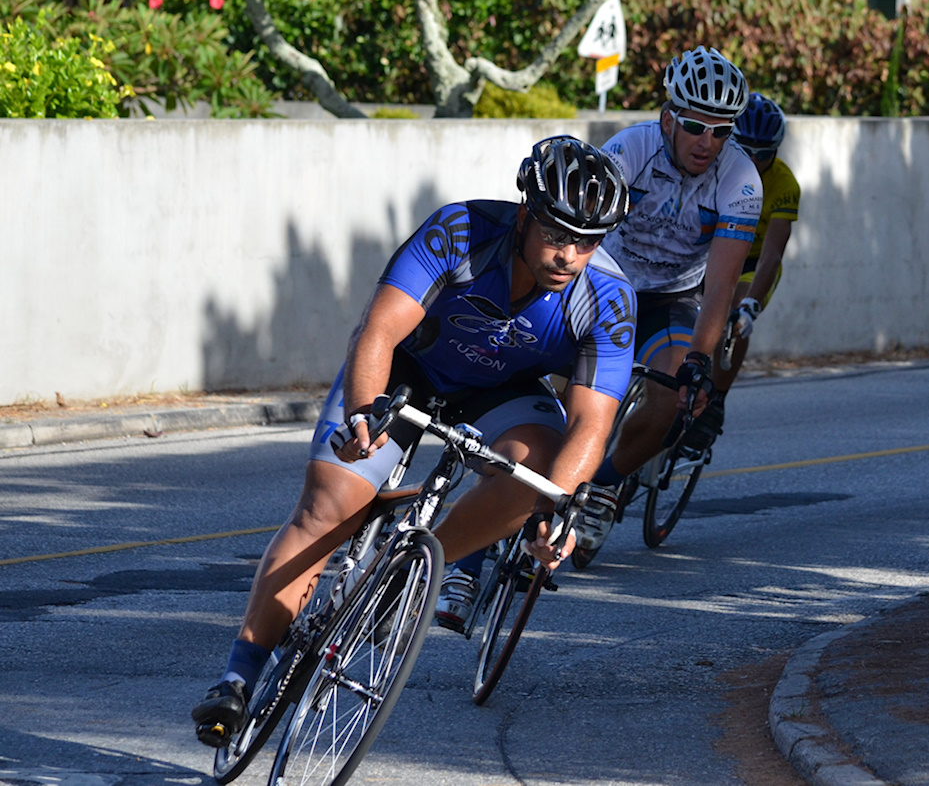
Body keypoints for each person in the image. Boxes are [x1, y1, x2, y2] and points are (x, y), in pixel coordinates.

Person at [190, 136, 635, 747]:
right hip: (406, 372)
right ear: (527, 213)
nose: (571, 255)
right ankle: (238, 678)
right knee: (329, 509)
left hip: (503, 389)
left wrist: (559, 508)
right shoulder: (461, 230)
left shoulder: (609, 298)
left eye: (589, 242)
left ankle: (412, 577)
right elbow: (378, 331)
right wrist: (363, 416)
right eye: (559, 234)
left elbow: (591, 422)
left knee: (536, 473)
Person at [571, 46, 762, 555]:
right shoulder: (630, 150)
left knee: (675, 397)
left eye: (721, 131)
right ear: (668, 118)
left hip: (673, 296)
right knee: (562, 392)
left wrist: (700, 360)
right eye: (697, 126)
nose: (708, 142)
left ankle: (605, 486)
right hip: (604, 281)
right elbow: (583, 235)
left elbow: (721, 285)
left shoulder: (742, 179)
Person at [694, 92, 800, 438]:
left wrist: (751, 306)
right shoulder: (712, 167)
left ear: (777, 151)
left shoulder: (784, 184)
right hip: (713, 251)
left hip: (753, 262)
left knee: (734, 312)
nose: (753, 162)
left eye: (764, 155)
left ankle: (716, 401)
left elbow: (772, 253)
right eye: (746, 150)